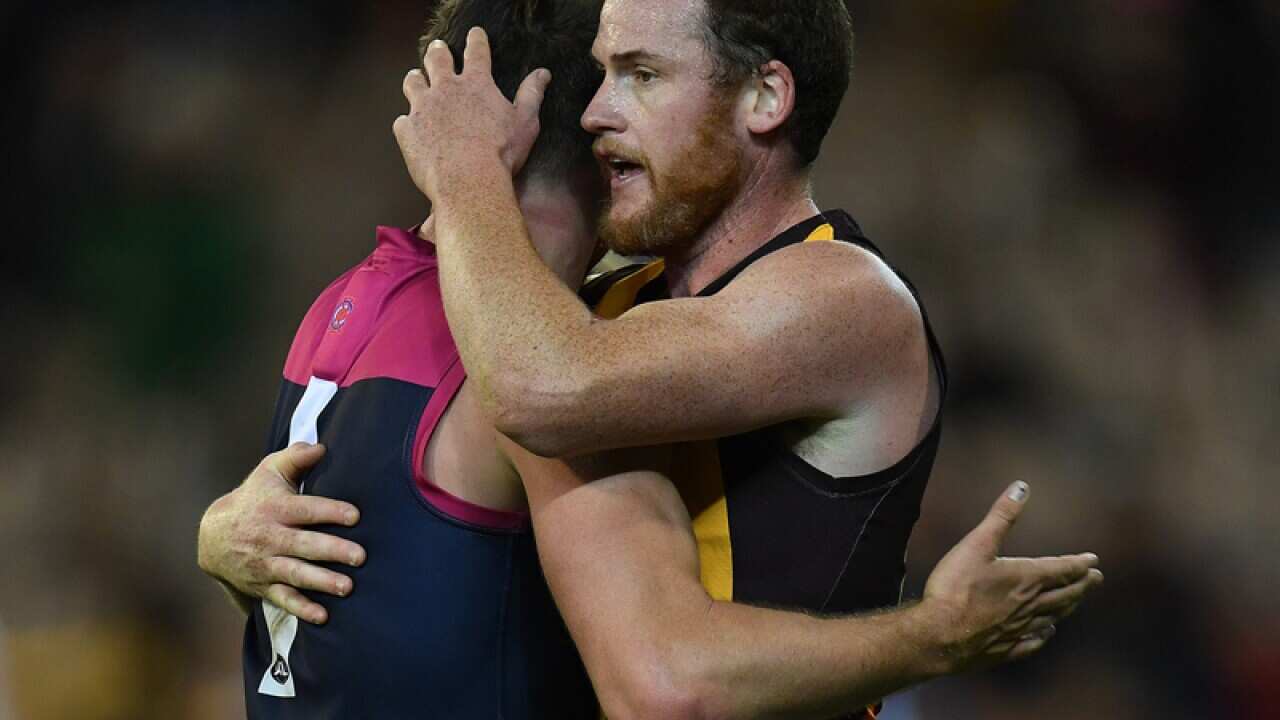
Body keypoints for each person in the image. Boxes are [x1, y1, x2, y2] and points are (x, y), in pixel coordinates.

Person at [200, 2, 1103, 718]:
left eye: (641, 75)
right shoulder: (609, 313)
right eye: (600, 73)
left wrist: (469, 168)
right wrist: (228, 531)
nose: (596, 112)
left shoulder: (841, 299)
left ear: (764, 98)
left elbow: (537, 393)